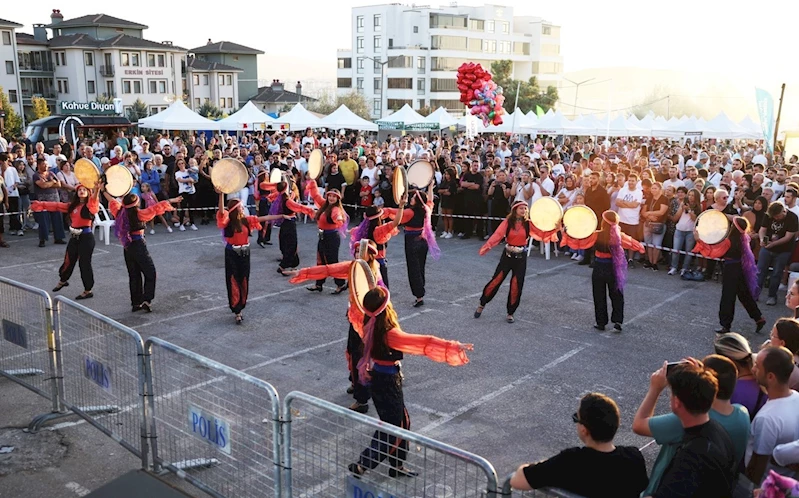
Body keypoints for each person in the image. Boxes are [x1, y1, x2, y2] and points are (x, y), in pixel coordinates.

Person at [348, 286, 472, 478]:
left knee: (402, 422)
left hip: (379, 380)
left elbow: (355, 309)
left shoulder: (368, 323)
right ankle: (362, 465)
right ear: (385, 307)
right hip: (388, 382)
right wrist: (453, 346)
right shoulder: (389, 334)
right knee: (392, 427)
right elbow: (425, 342)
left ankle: (396, 465)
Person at [633, 356, 750, 496]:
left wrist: (655, 389)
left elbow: (638, 425)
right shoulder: (721, 429)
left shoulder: (688, 459)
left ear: (676, 403)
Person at [509, 392, 648, 497]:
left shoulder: (571, 461)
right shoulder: (634, 458)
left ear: (584, 430)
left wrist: (539, 465)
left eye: (577, 418)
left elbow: (517, 481)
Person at [562, 210, 644, 332]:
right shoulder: (619, 236)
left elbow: (580, 243)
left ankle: (601, 322)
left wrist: (565, 232)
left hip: (599, 267)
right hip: (613, 268)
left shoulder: (596, 235)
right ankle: (618, 321)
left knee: (599, 296)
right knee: (616, 295)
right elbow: (637, 246)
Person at [104, 190, 181, 312]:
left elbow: (111, 201)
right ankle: (146, 299)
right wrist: (171, 200)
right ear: (136, 203)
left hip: (127, 247)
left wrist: (103, 190)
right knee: (150, 272)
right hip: (138, 245)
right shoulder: (139, 214)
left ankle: (136, 303)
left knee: (134, 275)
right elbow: (156, 207)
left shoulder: (119, 212)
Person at [216, 192, 287, 324]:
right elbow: (221, 211)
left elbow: (265, 217)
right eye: (240, 207)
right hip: (232, 254)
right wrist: (221, 195)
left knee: (244, 280)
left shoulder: (246, 220)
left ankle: (241, 306)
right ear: (234, 209)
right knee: (233, 281)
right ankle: (237, 310)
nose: (242, 209)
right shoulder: (227, 222)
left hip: (245, 254)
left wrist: (281, 215)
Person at [695, 216, 767, 334]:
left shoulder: (730, 241)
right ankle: (758, 318)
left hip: (731, 269)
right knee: (744, 295)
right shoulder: (744, 238)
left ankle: (725, 325)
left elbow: (714, 252)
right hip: (739, 268)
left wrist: (699, 240)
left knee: (728, 297)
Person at [33, 183, 101, 299]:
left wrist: (97, 189)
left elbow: (94, 201)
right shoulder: (72, 206)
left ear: (88, 192)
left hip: (86, 239)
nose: (82, 191)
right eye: (80, 189)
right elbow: (56, 206)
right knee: (68, 260)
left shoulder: (90, 205)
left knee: (84, 264)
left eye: (85, 189)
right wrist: (40, 204)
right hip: (74, 238)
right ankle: (63, 280)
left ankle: (88, 290)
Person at [474, 201, 538, 324]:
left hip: (521, 257)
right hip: (507, 256)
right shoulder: (508, 222)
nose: (523, 210)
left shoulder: (529, 224)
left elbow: (542, 232)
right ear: (515, 209)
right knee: (496, 281)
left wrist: (557, 227)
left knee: (516, 285)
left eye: (525, 208)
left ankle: (510, 312)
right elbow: (497, 235)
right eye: (521, 208)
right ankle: (482, 304)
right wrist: (487, 247)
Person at [745, 346, 799, 485]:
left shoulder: (767, 419)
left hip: (766, 487)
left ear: (770, 377)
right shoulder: (797, 397)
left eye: (757, 366)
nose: (753, 369)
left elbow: (758, 465)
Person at [384, 183, 438, 307]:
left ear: (417, 201)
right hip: (423, 240)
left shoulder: (409, 212)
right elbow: (430, 200)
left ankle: (419, 296)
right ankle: (420, 291)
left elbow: (394, 213)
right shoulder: (427, 209)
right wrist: (430, 187)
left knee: (413, 268)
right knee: (420, 267)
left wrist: (397, 207)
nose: (411, 199)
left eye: (412, 198)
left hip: (412, 240)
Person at [304, 181, 349, 294]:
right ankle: (319, 284)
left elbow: (338, 217)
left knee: (332, 262)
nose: (331, 198)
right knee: (320, 261)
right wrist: (312, 182)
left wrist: (338, 219)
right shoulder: (324, 205)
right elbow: (316, 196)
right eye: (330, 195)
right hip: (323, 236)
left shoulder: (335, 209)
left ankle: (341, 284)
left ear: (337, 199)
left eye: (334, 196)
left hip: (332, 237)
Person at [757, 202, 799, 306]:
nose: (776, 218)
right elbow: (762, 229)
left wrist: (773, 244)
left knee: (776, 273)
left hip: (784, 250)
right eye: (774, 217)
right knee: (760, 271)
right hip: (767, 247)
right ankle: (754, 294)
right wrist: (762, 239)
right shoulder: (768, 215)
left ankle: (772, 296)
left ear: (784, 211)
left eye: (778, 216)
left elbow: (788, 237)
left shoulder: (792, 217)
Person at [32, 157, 66, 247]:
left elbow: (59, 184)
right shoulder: (36, 175)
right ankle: (42, 239)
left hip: (55, 200)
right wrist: (52, 183)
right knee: (43, 221)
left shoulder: (51, 173)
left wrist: (49, 183)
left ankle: (58, 238)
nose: (46, 166)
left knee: (57, 219)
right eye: (44, 164)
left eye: (47, 164)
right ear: (39, 165)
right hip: (42, 202)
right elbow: (42, 185)